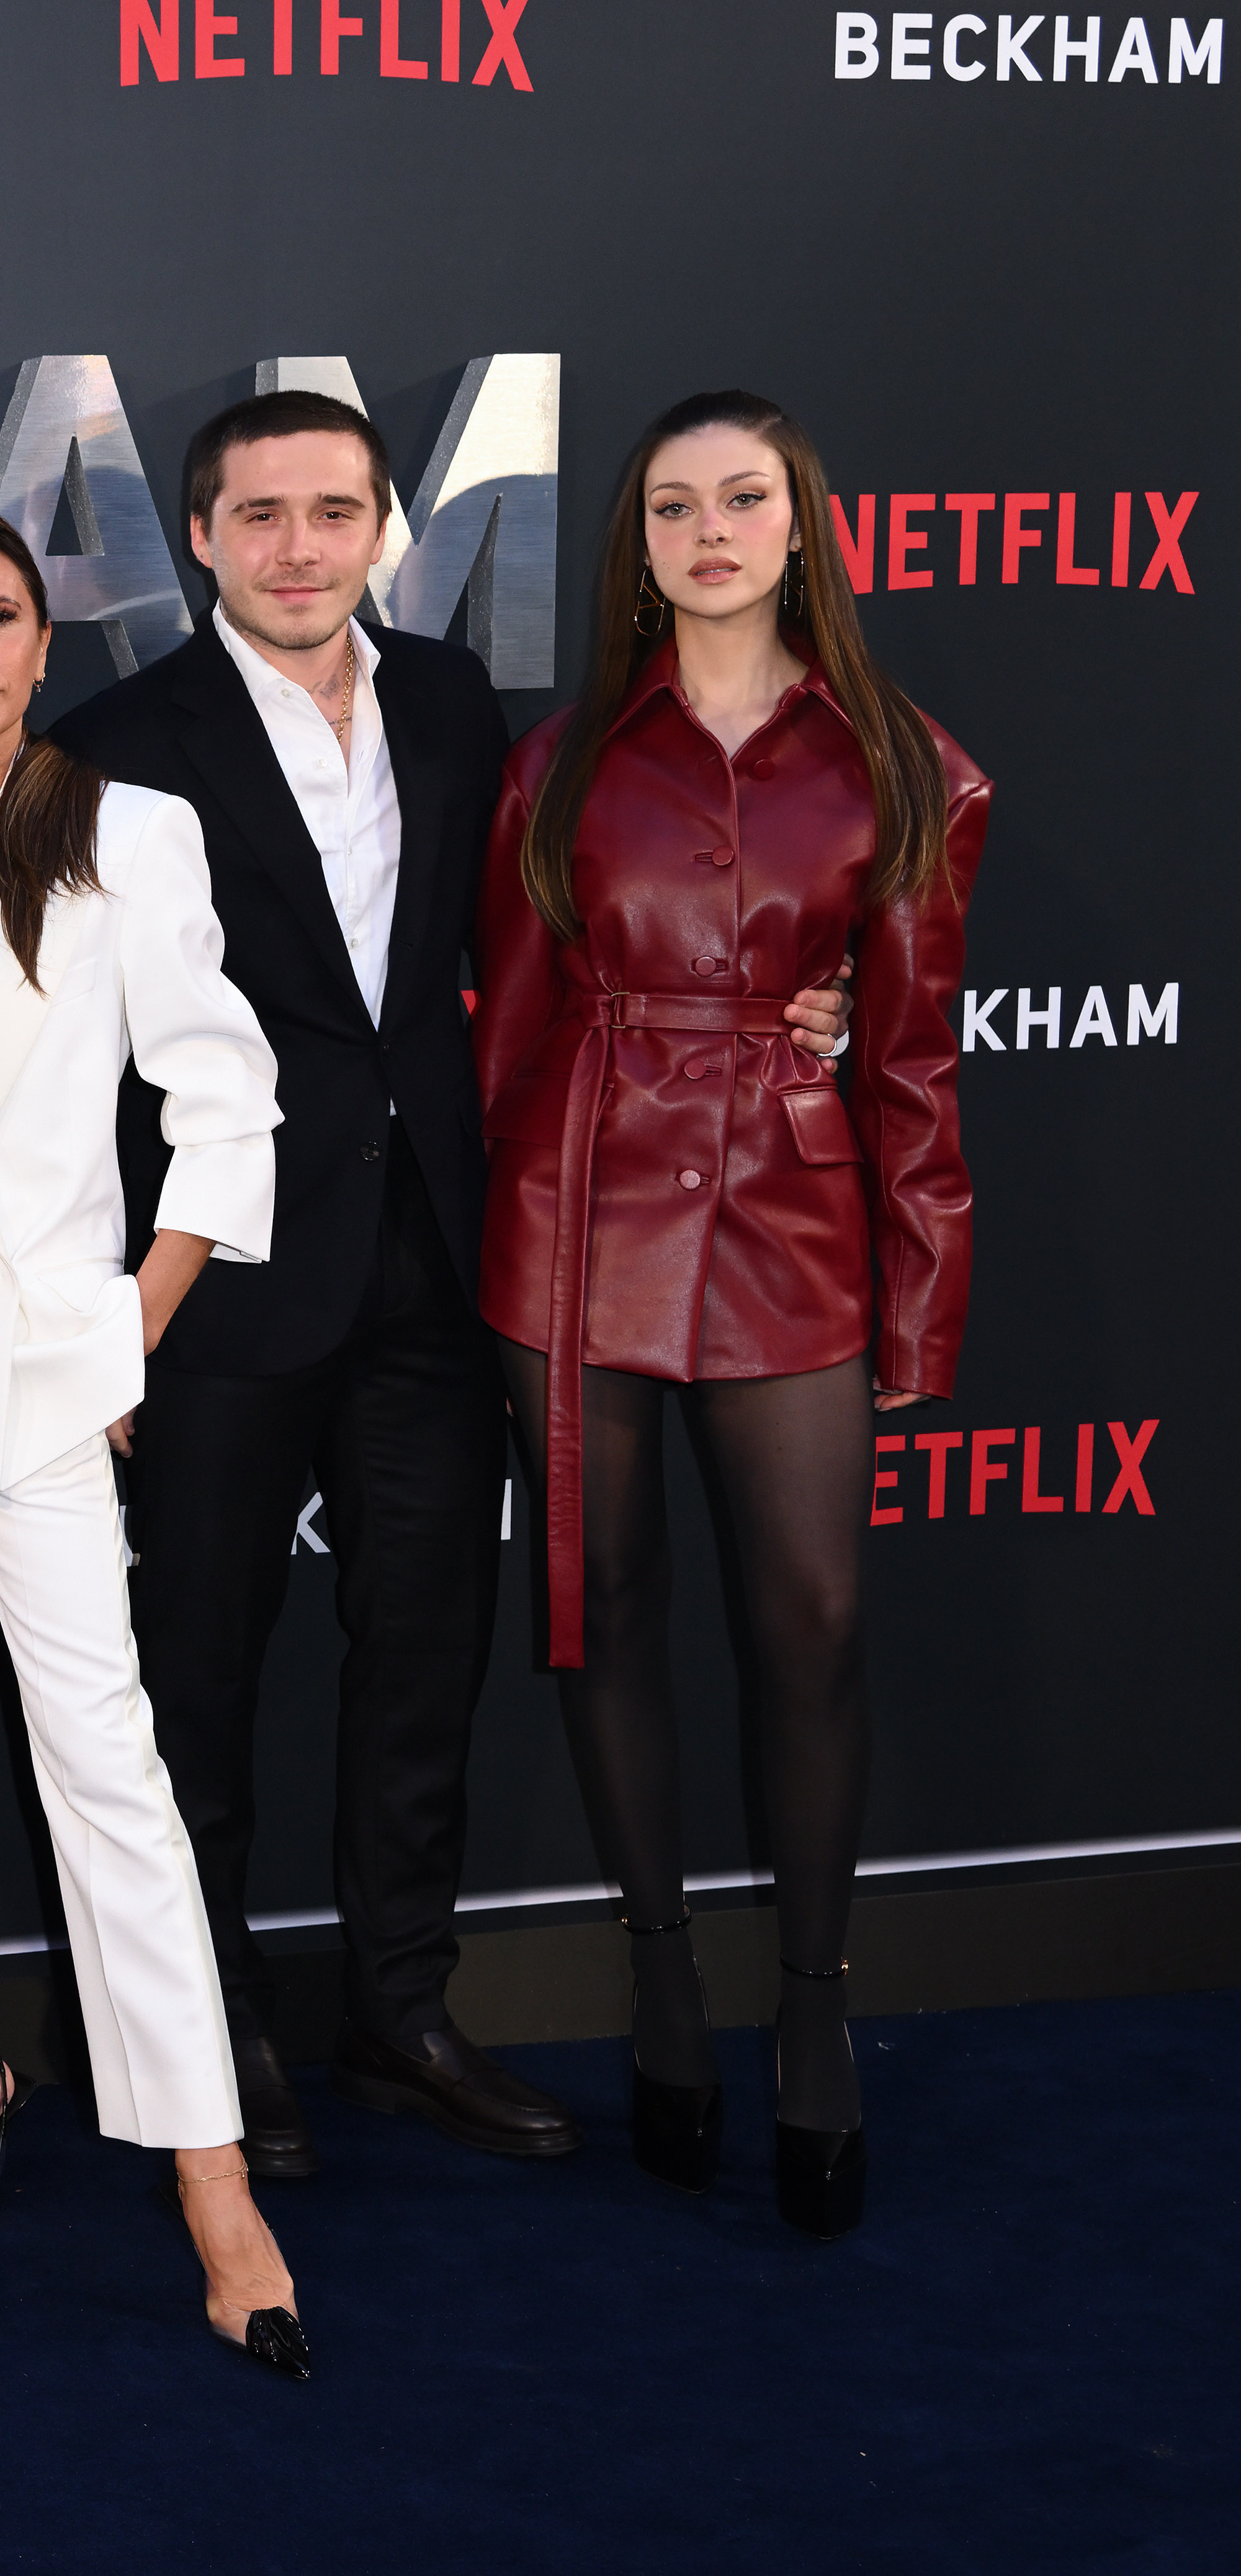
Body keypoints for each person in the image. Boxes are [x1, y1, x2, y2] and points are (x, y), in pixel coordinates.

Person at [44, 391, 849, 2175]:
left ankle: (402, 2013)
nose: (300, 548)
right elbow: (58, 1048)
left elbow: (604, 924)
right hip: (218, 1280)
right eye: (261, 516)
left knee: (425, 1659)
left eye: (335, 513)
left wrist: (817, 994)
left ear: (381, 532)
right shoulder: (110, 743)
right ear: (200, 537)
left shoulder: (459, 706)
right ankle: (207, 2033)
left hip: (439, 1261)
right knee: (197, 1679)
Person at [0, 510, 305, 2375]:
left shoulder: (127, 829)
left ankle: (213, 2177)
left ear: (39, 642)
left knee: (105, 1761)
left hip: (39, 1370)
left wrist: (129, 1333)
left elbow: (225, 1097)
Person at [474, 391, 980, 2241]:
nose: (708, 533)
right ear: (640, 543)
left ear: (799, 524)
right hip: (576, 1219)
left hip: (792, 1216)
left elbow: (912, 1064)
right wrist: (498, 1248)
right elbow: (508, 1033)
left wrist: (920, 1308)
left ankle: (816, 2013)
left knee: (815, 1627)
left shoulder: (905, 767)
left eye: (742, 498)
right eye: (673, 505)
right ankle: (665, 1983)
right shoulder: (560, 766)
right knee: (604, 1617)